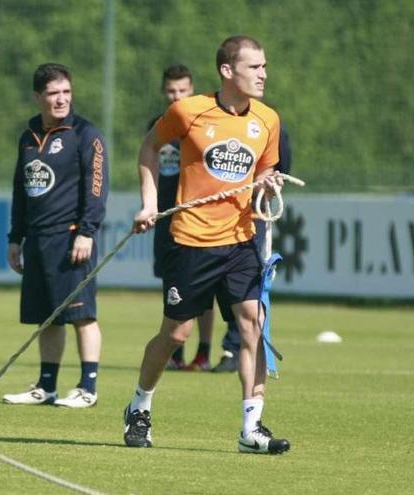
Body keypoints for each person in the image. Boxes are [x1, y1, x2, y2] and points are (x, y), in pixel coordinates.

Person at [122, 35, 290, 454]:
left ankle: (252, 428)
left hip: (241, 241)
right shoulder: (189, 111)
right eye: (255, 67)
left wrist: (268, 186)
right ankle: (139, 406)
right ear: (227, 71)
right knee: (176, 334)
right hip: (191, 241)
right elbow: (149, 148)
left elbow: (265, 179)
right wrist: (149, 203)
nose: (263, 74)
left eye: (265, 66)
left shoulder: (268, 120)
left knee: (252, 325)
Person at [2, 63, 108, 409]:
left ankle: (87, 387)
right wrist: (15, 237)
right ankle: (46, 386)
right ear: (38, 97)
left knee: (82, 315)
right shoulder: (28, 135)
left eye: (66, 92)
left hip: (71, 238)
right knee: (45, 316)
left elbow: (96, 188)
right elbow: (21, 190)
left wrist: (87, 232)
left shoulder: (85, 133)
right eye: (53, 93)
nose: (61, 99)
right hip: (37, 239)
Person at [148, 64, 214, 372]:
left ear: (192, 90)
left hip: (198, 219)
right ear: (165, 91)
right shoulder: (158, 126)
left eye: (183, 90)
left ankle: (203, 352)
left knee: (204, 289)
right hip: (165, 219)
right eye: (172, 91)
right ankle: (175, 352)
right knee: (172, 284)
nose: (177, 96)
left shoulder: (203, 124)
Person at [212, 122, 292, 373]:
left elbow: (281, 168)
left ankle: (236, 348)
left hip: (253, 221)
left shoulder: (270, 123)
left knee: (249, 289)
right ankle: (227, 349)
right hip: (217, 221)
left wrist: (269, 187)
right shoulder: (218, 121)